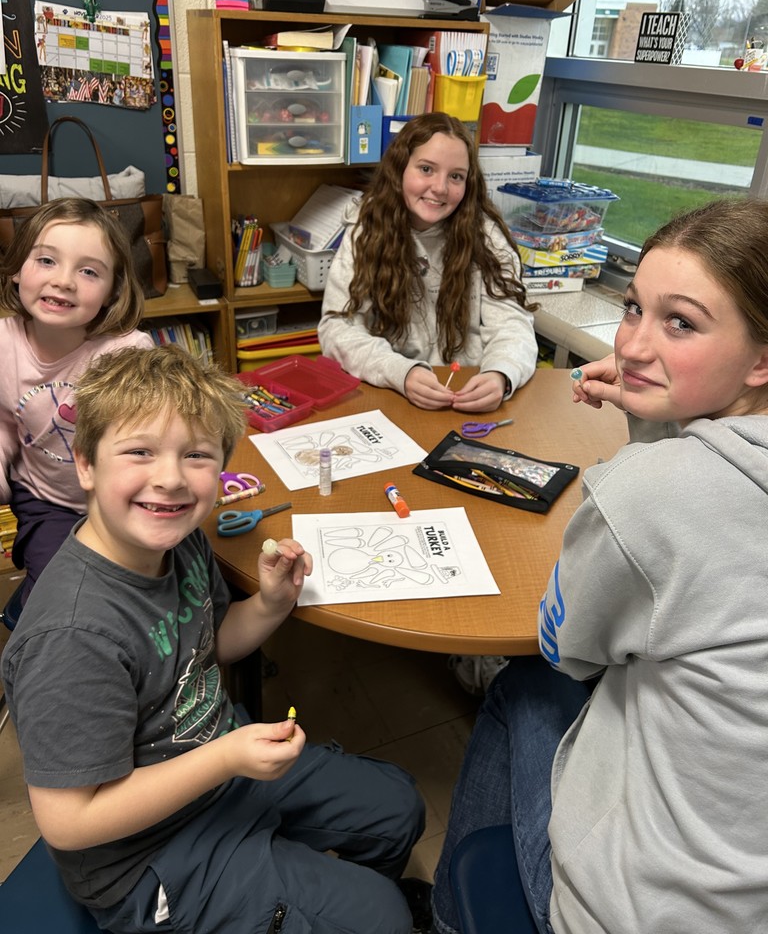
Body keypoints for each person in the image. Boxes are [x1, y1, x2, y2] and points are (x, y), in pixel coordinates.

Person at [1, 344, 428, 934]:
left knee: (397, 807)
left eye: (196, 454)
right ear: (85, 465)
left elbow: (210, 645)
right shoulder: (73, 636)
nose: (171, 479)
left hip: (215, 769)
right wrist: (224, 757)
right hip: (145, 857)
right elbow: (70, 821)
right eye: (139, 451)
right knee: (383, 917)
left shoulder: (178, 541)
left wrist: (273, 603)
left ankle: (313, 898)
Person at [431, 197, 768, 934]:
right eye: (633, 309)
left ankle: (454, 915)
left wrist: (649, 434)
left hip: (641, 910)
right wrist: (662, 411)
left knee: (526, 683)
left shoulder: (651, 496)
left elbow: (568, 649)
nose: (637, 347)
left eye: (681, 322)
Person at [318, 112, 538, 416]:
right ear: (399, 170)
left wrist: (501, 373)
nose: (440, 188)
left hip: (466, 395)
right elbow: (337, 328)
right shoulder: (366, 229)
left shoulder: (486, 236)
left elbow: (513, 324)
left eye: (456, 176)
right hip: (392, 396)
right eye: (426, 169)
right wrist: (401, 372)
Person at [0, 197, 153, 609]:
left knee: (143, 589)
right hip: (45, 499)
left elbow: (147, 443)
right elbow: (2, 425)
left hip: (121, 500)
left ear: (112, 291)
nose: (64, 281)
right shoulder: (2, 343)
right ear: (17, 269)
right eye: (47, 261)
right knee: (58, 594)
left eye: (88, 271)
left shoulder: (128, 352)